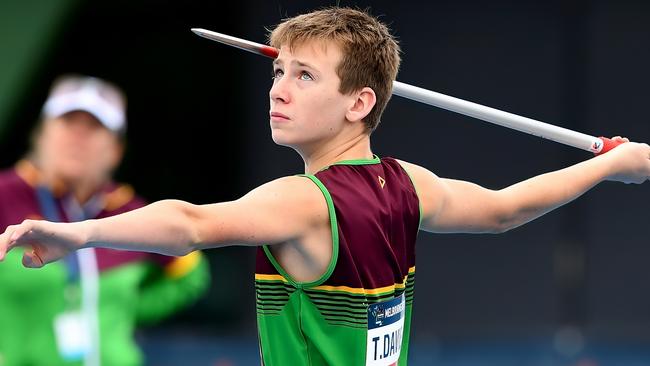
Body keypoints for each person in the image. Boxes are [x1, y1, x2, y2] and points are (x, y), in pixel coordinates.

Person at [1, 8, 649, 366]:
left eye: (305, 77)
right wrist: (611, 165)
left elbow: (191, 224)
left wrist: (79, 232)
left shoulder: (304, 201)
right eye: (278, 71)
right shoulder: (409, 184)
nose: (278, 89)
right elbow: (506, 211)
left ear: (359, 102)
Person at [0, 74, 210, 366]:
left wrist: (126, 310)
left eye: (94, 127)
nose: (78, 136)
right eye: (67, 122)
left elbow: (190, 275)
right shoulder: (5, 194)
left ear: (115, 151)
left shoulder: (130, 211)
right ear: (41, 134)